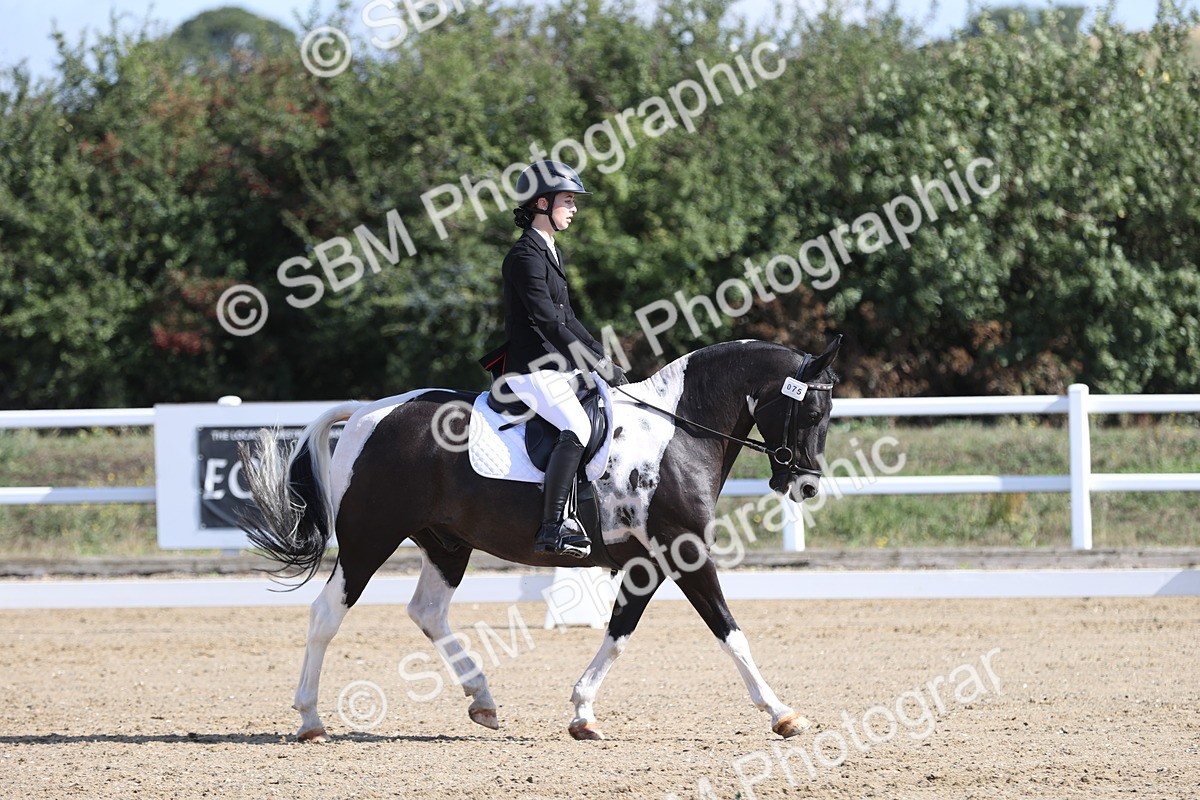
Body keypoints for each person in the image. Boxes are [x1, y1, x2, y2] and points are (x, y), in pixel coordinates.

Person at [482, 160, 628, 558]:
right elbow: (547, 322)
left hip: (555, 365)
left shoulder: (549, 251)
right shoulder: (524, 256)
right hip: (530, 369)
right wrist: (591, 363)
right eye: (568, 201)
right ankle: (552, 527)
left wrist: (603, 359)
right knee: (576, 425)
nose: (574, 209)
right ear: (542, 203)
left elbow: (568, 319)